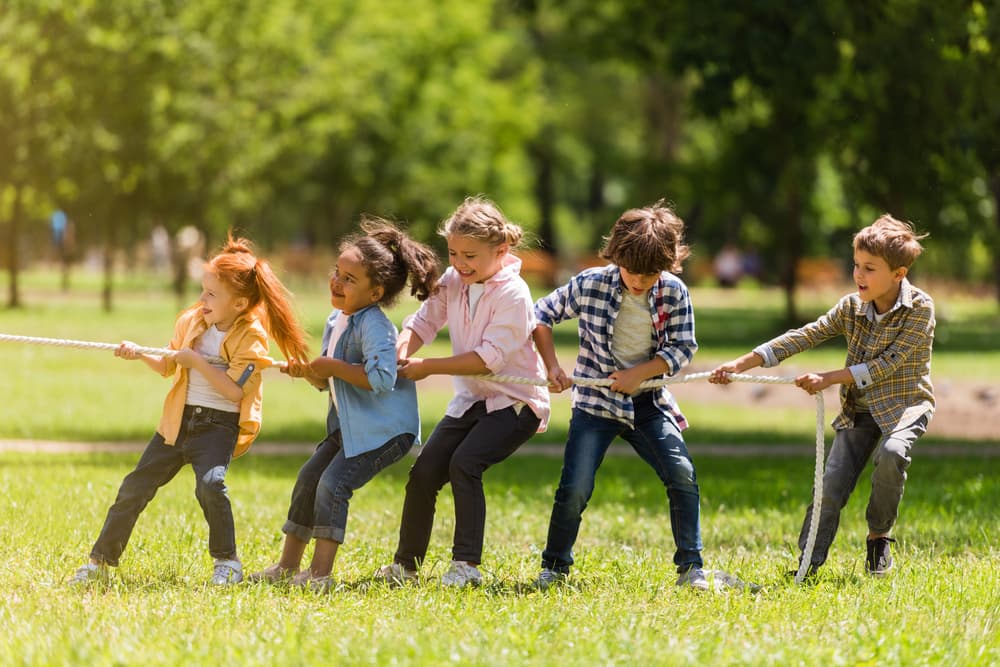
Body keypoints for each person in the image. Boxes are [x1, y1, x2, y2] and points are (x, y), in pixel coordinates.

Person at [69, 234, 309, 586]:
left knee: (210, 486)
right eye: (203, 290)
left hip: (217, 426)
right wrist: (139, 353)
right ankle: (98, 563)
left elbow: (232, 391)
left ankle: (227, 561)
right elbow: (168, 365)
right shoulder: (192, 322)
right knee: (134, 487)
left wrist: (196, 361)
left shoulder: (253, 339)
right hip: (178, 421)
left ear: (240, 303)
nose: (202, 299)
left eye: (211, 294)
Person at [709, 214, 934, 578]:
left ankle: (879, 538)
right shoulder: (851, 307)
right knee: (830, 486)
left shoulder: (920, 309)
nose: (859, 275)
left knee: (892, 453)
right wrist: (743, 362)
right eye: (856, 265)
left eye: (870, 268)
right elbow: (805, 335)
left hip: (905, 404)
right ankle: (807, 563)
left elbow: (887, 365)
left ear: (899, 274)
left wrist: (829, 378)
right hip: (859, 409)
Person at [248, 219, 440, 592]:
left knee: (333, 485)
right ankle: (287, 567)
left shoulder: (376, 326)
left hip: (385, 431)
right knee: (308, 479)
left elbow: (382, 378)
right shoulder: (337, 319)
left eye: (349, 279)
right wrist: (306, 372)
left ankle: (320, 575)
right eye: (337, 272)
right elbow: (326, 381)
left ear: (375, 292)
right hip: (348, 426)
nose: (337, 282)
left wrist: (333, 367)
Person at [531, 200, 708, 591]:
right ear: (616, 256)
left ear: (668, 264)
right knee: (575, 486)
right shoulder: (591, 283)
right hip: (595, 406)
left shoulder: (674, 292)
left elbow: (683, 348)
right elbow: (540, 315)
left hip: (649, 403)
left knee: (681, 473)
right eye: (633, 271)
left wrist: (639, 375)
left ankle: (691, 568)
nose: (640, 281)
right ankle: (555, 566)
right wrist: (553, 368)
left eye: (651, 273)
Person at [376, 197, 550, 588]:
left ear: (501, 251)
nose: (459, 263)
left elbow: (487, 360)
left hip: (515, 403)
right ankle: (405, 567)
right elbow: (422, 322)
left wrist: (428, 368)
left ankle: (466, 567)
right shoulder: (455, 281)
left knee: (465, 465)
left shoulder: (515, 294)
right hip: (472, 399)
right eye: (453, 253)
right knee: (424, 472)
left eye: (470, 255)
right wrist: (403, 349)